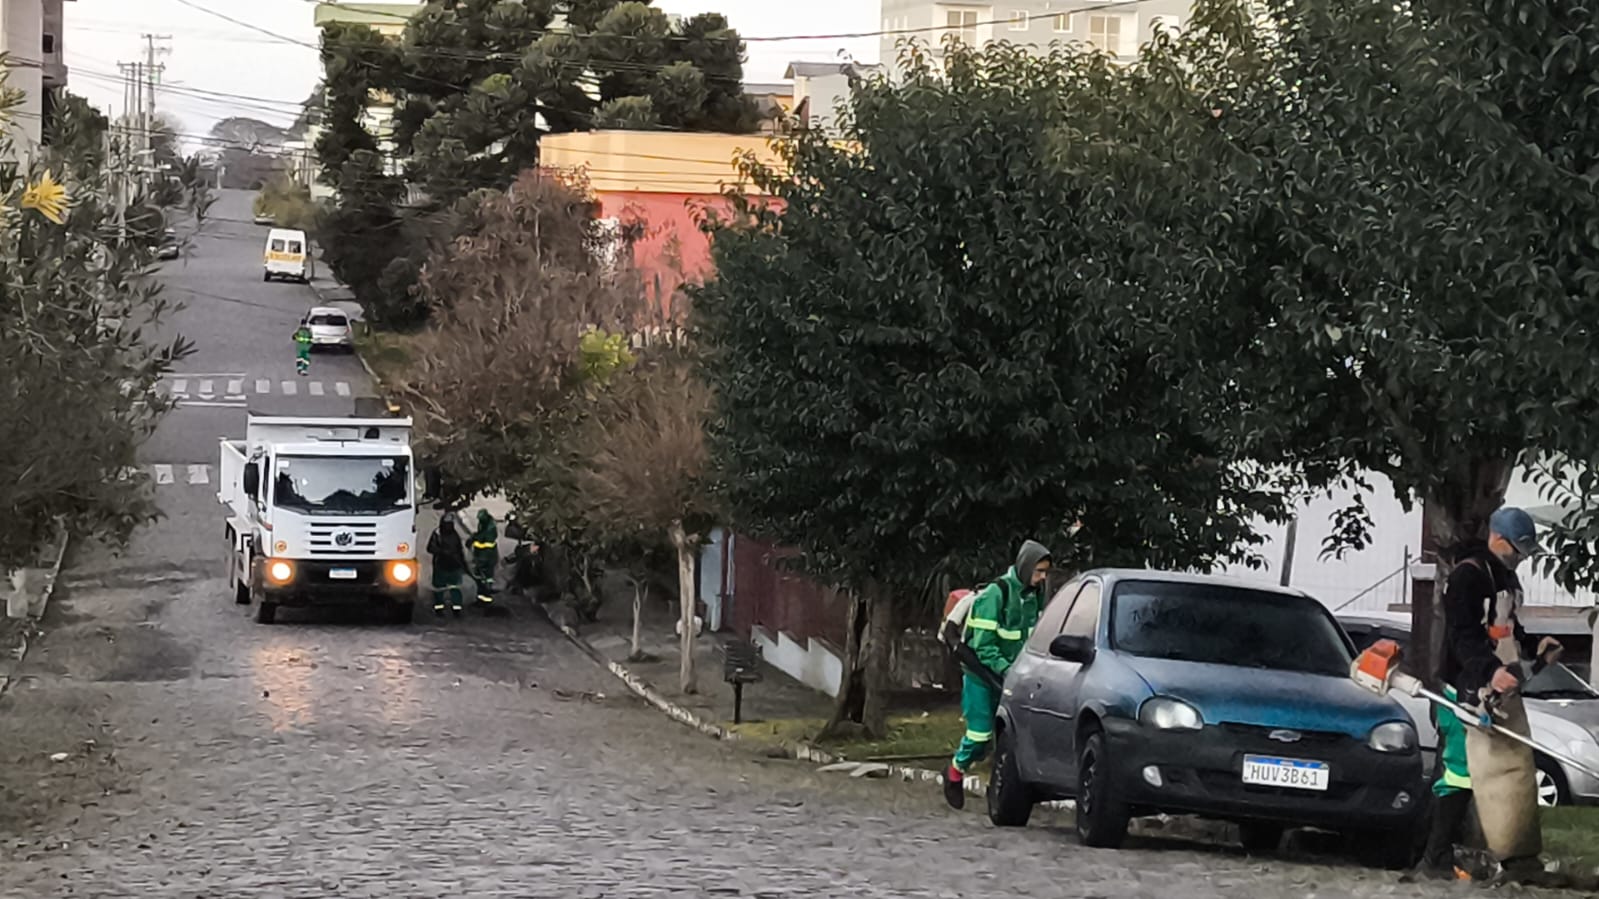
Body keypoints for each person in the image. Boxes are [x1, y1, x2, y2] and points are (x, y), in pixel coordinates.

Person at [1427, 506, 1563, 882]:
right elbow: (1462, 635)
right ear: (1498, 539)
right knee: (1460, 772)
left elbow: (1506, 629)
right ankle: (1436, 857)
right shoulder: (1466, 577)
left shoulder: (1505, 579)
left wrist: (1534, 647)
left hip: (1495, 689)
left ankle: (1515, 858)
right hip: (1463, 690)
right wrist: (1490, 670)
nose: (1521, 558)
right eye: (1518, 549)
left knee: (1511, 772)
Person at [943, 539, 1051, 809]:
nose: (1042, 577)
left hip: (1012, 676)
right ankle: (955, 771)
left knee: (1009, 738)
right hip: (981, 676)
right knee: (979, 736)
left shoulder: (1034, 595)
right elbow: (984, 648)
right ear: (1025, 567)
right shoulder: (995, 595)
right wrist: (1009, 670)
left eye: (1045, 572)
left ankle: (1000, 789)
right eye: (1039, 571)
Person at [427, 512, 468, 618]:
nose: (448, 526)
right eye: (447, 523)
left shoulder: (455, 535)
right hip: (441, 565)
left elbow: (459, 550)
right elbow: (430, 548)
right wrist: (442, 551)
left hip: (454, 565)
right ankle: (439, 609)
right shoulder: (437, 533)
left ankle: (456, 610)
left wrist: (463, 563)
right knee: (439, 589)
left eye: (450, 524)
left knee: (455, 588)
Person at [469, 509, 499, 604]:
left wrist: (474, 538)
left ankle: (485, 598)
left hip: (486, 556)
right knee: (485, 577)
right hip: (486, 555)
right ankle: (484, 594)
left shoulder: (490, 528)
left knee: (483, 577)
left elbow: (482, 537)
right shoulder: (486, 524)